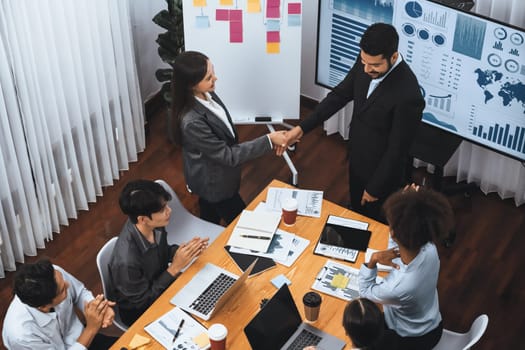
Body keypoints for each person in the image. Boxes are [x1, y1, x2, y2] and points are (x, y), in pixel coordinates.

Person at [282, 23, 424, 222]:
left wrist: (375, 188)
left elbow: (397, 150)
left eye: (374, 65)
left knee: (374, 221)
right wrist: (301, 128)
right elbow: (340, 94)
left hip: (381, 174)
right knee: (357, 209)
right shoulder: (367, 60)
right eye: (363, 62)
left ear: (393, 57)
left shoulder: (409, 95)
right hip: (358, 157)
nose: (366, 69)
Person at [170, 50, 287, 225]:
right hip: (215, 183)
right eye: (209, 77)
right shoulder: (192, 122)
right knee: (245, 225)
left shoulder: (207, 93)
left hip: (216, 177)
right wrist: (269, 140)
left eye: (213, 72)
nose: (215, 79)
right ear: (191, 85)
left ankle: (206, 242)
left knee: (209, 216)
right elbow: (228, 155)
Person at [359, 184, 454, 350]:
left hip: (409, 340)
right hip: (432, 324)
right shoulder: (429, 248)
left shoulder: (398, 287)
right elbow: (403, 233)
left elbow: (365, 292)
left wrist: (373, 260)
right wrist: (410, 206)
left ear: (394, 232)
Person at [109, 179, 208, 326]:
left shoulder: (154, 225)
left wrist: (185, 252)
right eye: (162, 210)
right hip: (142, 312)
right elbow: (143, 302)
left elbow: (162, 251)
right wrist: (174, 268)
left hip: (161, 285)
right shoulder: (126, 261)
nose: (169, 211)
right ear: (143, 219)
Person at [2, 259, 117, 349]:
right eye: (63, 290)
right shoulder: (21, 335)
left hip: (84, 339)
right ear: (43, 306)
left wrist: (98, 309)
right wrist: (91, 329)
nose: (67, 284)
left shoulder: (55, 275)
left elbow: (80, 292)